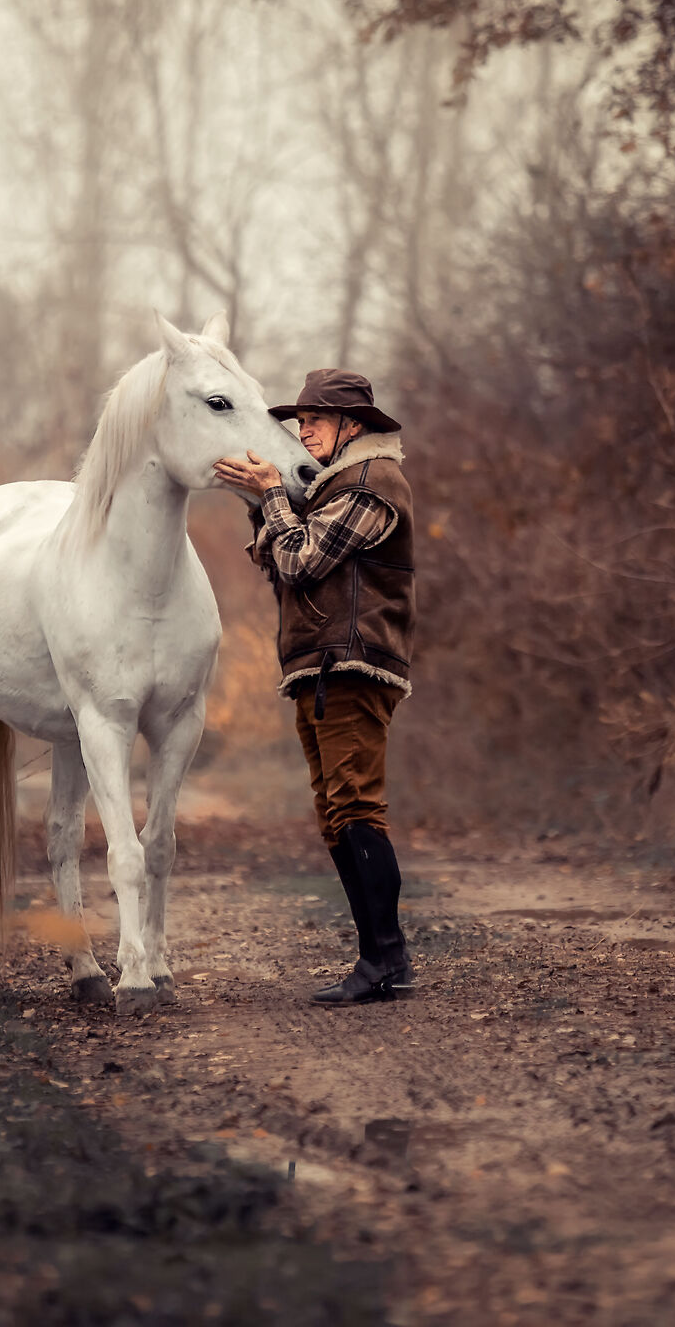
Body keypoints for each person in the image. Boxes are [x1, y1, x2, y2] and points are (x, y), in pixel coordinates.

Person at [214, 369, 416, 1005]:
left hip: (351, 665)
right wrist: (265, 504)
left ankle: (385, 960)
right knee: (337, 816)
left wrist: (273, 495)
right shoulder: (334, 488)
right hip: (320, 667)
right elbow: (275, 556)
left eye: (317, 421)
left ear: (352, 427)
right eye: (300, 422)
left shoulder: (374, 483)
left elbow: (300, 560)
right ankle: (380, 959)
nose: (303, 431)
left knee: (356, 809)